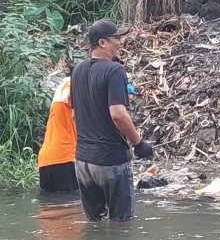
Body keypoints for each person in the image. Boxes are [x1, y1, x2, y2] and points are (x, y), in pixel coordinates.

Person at [71, 19, 153, 221]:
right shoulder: (114, 70)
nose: (121, 42)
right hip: (110, 161)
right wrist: (139, 143)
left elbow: (74, 116)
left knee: (95, 223)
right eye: (117, 38)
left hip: (83, 163)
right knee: (121, 226)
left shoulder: (77, 71)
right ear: (102, 43)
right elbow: (118, 114)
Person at [37, 74, 78, 193]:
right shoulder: (74, 86)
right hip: (65, 158)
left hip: (45, 159)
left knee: (49, 206)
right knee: (71, 207)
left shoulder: (61, 92)